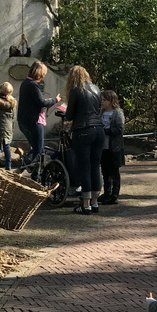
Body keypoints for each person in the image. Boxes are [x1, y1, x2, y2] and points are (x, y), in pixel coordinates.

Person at [64, 65, 104, 214]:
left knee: (84, 167)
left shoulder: (76, 90)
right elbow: (97, 109)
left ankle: (85, 204)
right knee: (95, 166)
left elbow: (69, 115)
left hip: (83, 130)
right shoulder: (96, 89)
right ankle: (95, 202)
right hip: (99, 129)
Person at [17, 61, 60, 169]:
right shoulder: (33, 85)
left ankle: (33, 172)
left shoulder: (25, 83)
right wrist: (55, 100)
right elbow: (41, 103)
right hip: (34, 121)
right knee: (39, 150)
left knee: (36, 148)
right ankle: (25, 163)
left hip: (23, 121)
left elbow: (35, 101)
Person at [100, 90, 125, 205]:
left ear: (111, 101)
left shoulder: (117, 113)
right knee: (105, 171)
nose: (102, 102)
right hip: (103, 147)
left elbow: (120, 129)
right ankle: (106, 193)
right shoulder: (101, 113)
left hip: (114, 147)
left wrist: (107, 131)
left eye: (104, 100)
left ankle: (114, 194)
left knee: (114, 171)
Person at [0, 82, 16, 169]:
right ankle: (8, 166)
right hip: (8, 126)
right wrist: (12, 127)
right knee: (7, 146)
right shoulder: (12, 102)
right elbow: (14, 117)